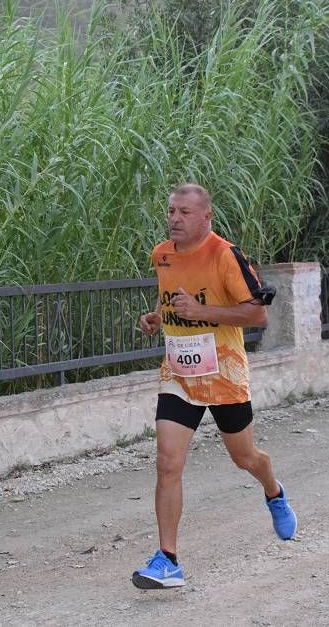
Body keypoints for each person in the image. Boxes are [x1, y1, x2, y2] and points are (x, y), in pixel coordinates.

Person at [131, 183, 296, 590]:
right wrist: (158, 317)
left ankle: (273, 490)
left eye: (184, 212)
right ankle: (168, 561)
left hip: (224, 375)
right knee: (167, 462)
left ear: (207, 217)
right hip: (180, 375)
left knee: (245, 458)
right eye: (171, 211)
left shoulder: (226, 255)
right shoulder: (161, 255)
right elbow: (170, 298)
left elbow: (257, 316)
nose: (174, 218)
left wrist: (201, 310)